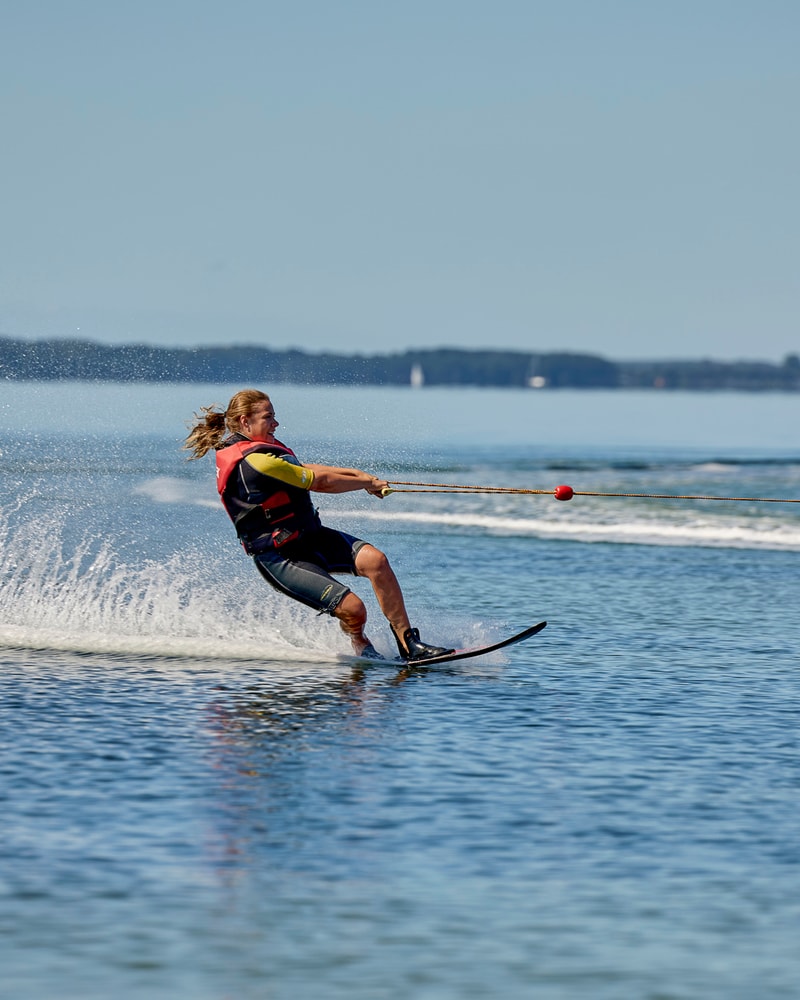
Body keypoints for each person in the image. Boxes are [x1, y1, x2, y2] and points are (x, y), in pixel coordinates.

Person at [184, 388, 454, 663]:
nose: (276, 423)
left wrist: (361, 477)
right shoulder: (254, 461)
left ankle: (409, 645)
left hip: (310, 538)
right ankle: (360, 643)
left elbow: (309, 469)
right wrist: (364, 484)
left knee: (377, 562)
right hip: (281, 558)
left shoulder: (263, 452)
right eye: (269, 417)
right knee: (354, 610)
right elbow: (319, 482)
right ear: (245, 421)